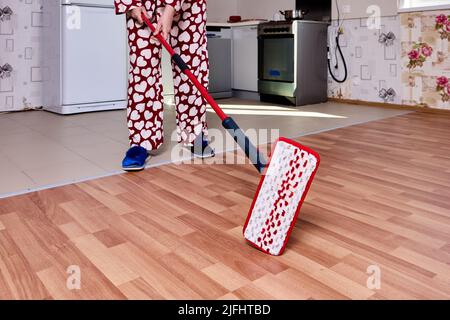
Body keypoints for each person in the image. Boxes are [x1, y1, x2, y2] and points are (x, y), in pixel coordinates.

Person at [114, 0, 214, 171]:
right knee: (142, 71)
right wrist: (131, 5)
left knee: (192, 68)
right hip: (143, 5)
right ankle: (141, 140)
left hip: (189, 7)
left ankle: (194, 131)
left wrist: (170, 9)